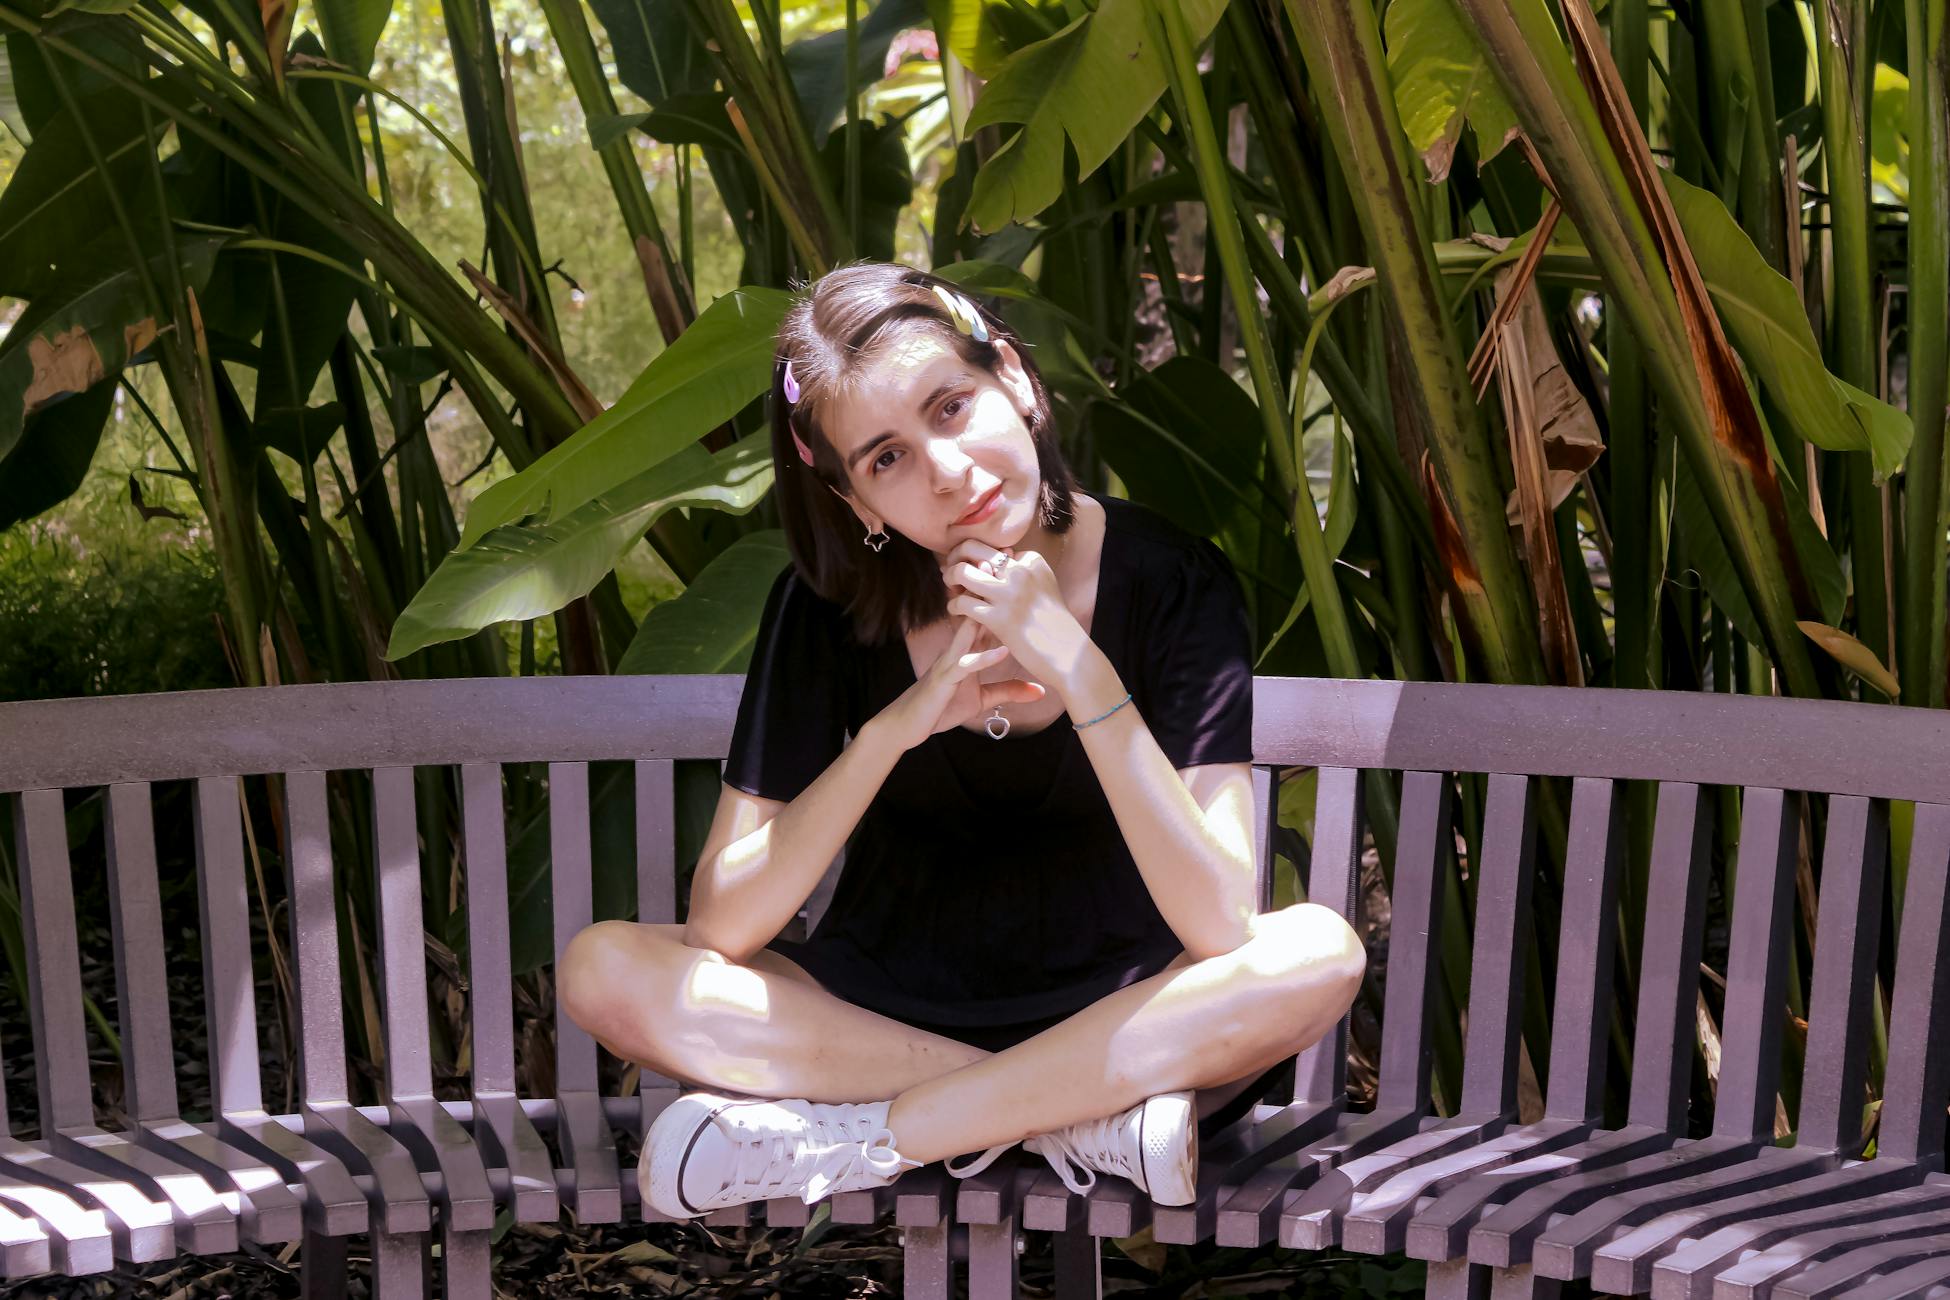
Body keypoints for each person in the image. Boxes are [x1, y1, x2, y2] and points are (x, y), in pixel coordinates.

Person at [559, 261, 1366, 1221]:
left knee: (1316, 952)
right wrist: (898, 729)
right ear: (858, 502)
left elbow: (1223, 926)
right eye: (885, 458)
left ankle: (874, 1138)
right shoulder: (825, 613)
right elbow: (724, 925)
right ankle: (1069, 1118)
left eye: (950, 407)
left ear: (1015, 383)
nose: (945, 471)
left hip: (1139, 1011)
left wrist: (1081, 671)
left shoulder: (1172, 580)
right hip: (882, 1019)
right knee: (605, 968)